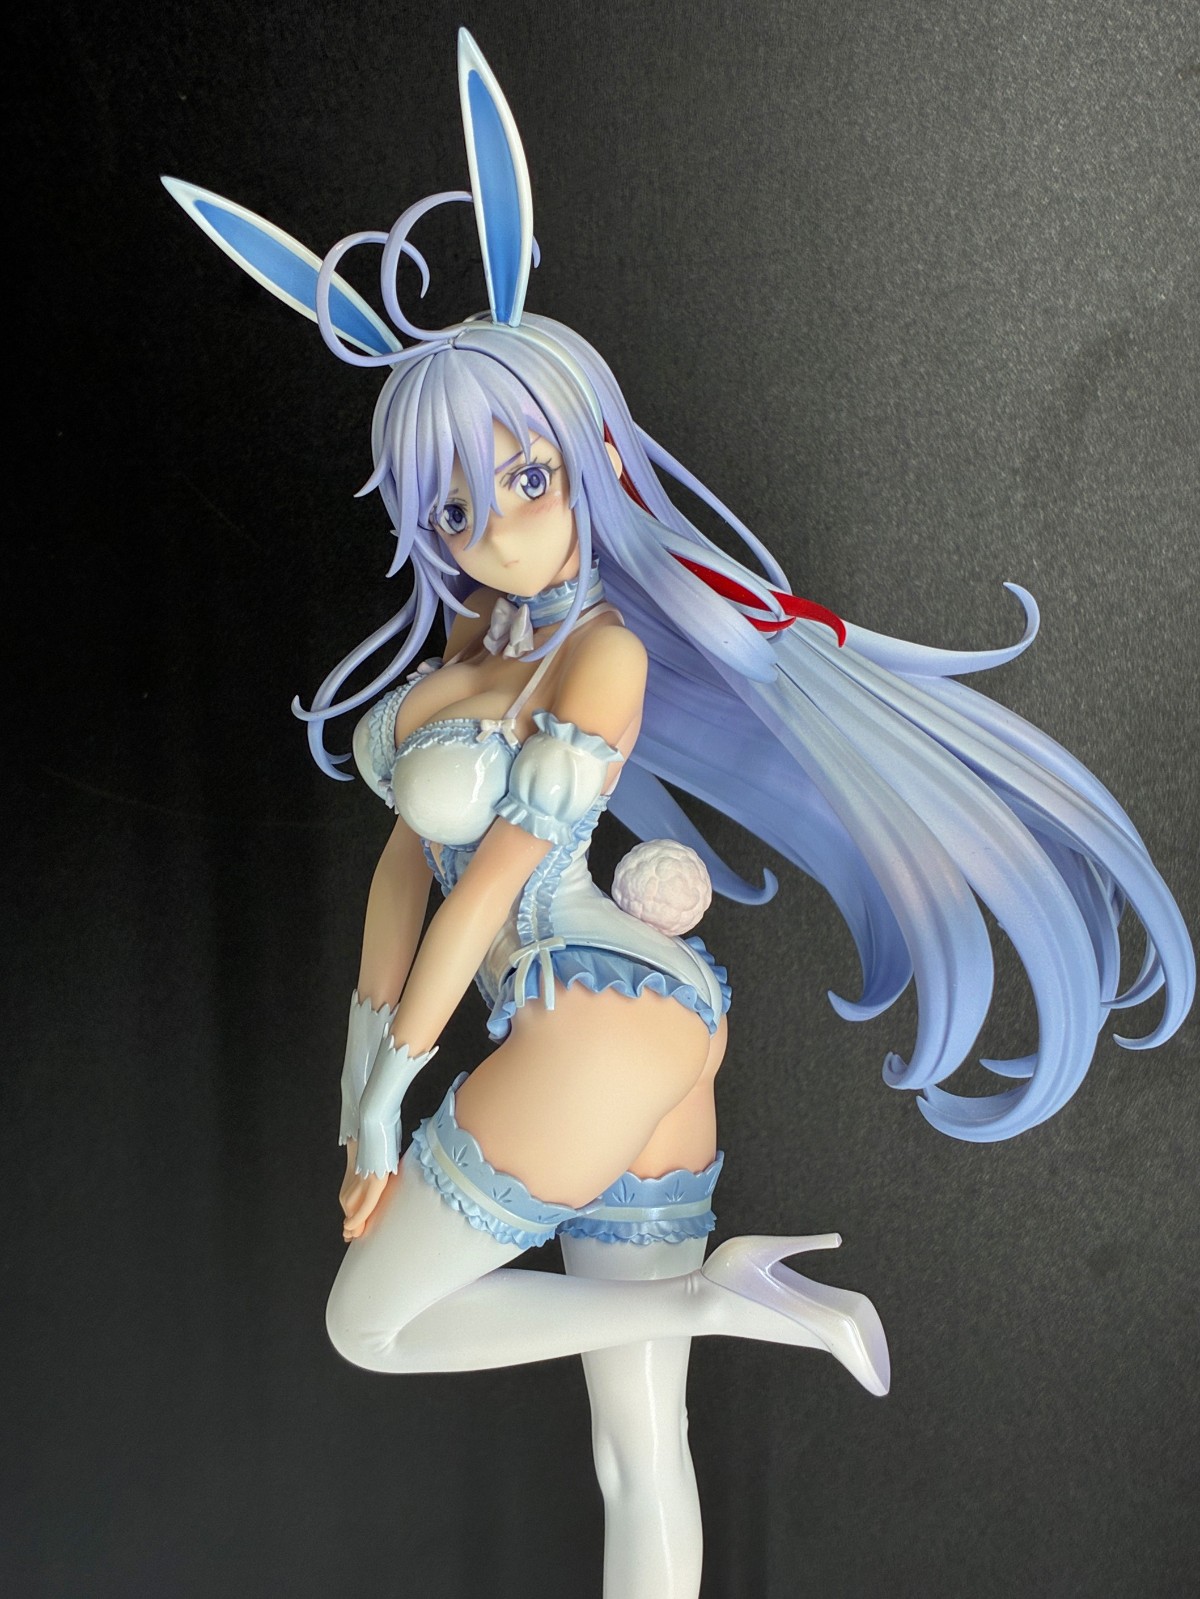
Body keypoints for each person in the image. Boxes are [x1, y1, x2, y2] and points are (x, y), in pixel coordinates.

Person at [163, 31, 1194, 1599]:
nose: (493, 529)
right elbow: (402, 875)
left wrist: (390, 1099)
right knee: (637, 1447)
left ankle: (720, 1298)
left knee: (370, 1326)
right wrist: (364, 1077)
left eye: (525, 480)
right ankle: (715, 1306)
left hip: (586, 1011)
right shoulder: (475, 646)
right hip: (637, 1031)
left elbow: (495, 877)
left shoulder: (602, 651)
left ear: (585, 458)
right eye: (456, 505)